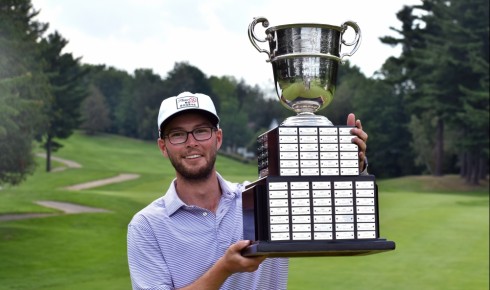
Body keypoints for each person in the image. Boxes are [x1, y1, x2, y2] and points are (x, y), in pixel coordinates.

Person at [127, 91, 369, 290]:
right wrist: (225, 268)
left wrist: (345, 165)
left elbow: (319, 208)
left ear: (218, 138)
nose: (192, 142)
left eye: (201, 131)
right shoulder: (147, 225)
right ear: (163, 146)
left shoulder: (261, 200)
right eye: (178, 135)